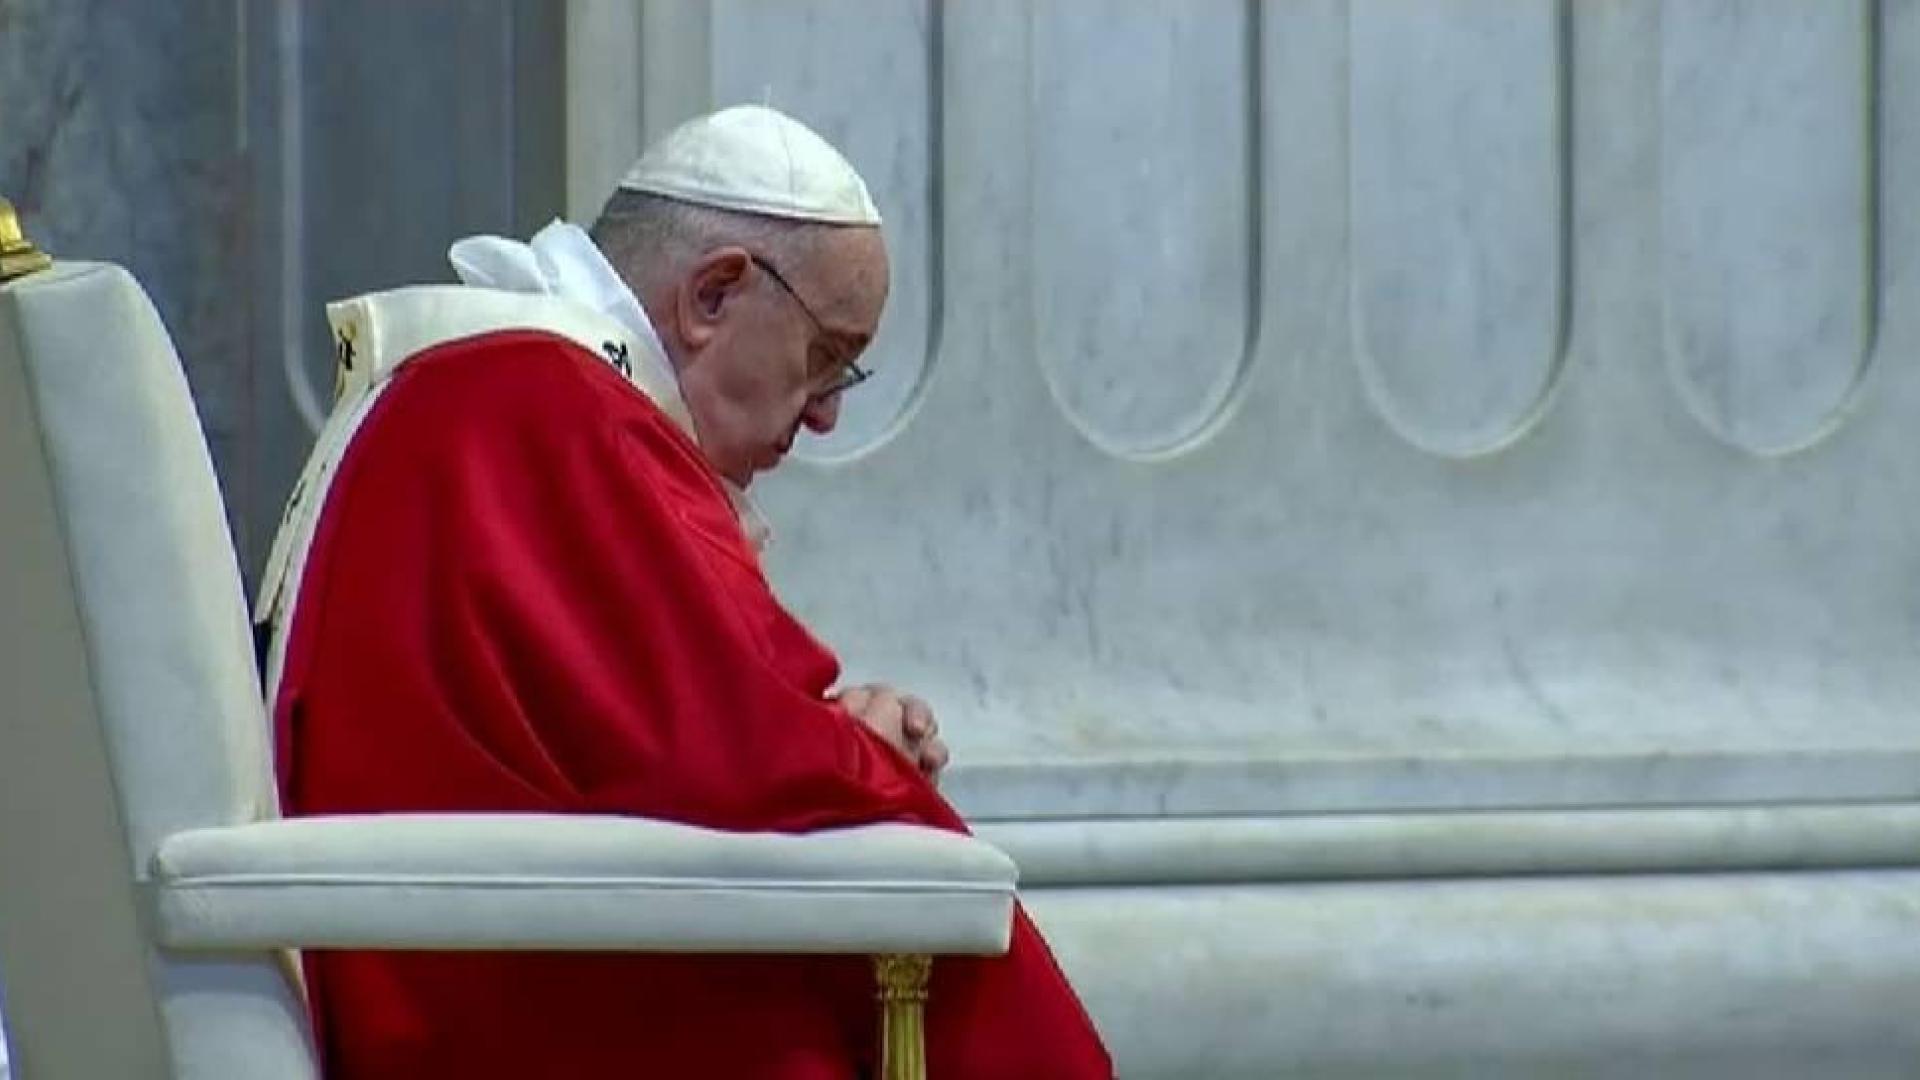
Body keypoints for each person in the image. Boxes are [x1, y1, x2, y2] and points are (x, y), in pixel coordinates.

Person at [255, 105, 1113, 1078]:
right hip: (507, 1014)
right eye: (824, 356)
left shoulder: (491, 392)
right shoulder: (552, 409)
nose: (827, 415)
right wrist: (856, 757)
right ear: (714, 295)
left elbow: (667, 739)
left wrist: (830, 736)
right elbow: (733, 762)